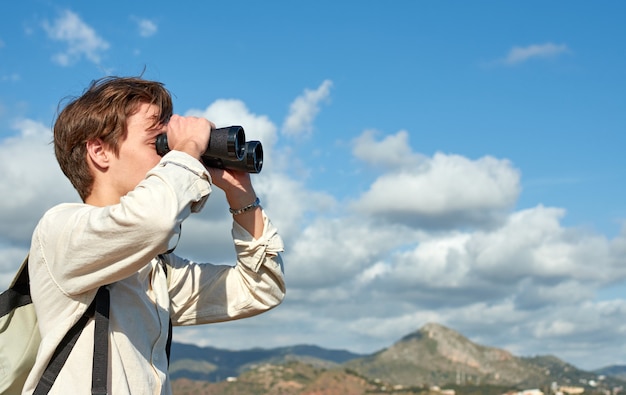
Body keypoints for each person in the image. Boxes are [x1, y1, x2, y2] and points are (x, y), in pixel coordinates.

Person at [23, 76, 286, 394]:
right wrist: (188, 147)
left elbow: (260, 289)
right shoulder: (60, 230)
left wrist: (242, 196)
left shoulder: (156, 270)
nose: (169, 156)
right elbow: (153, 222)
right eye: (158, 143)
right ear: (100, 152)